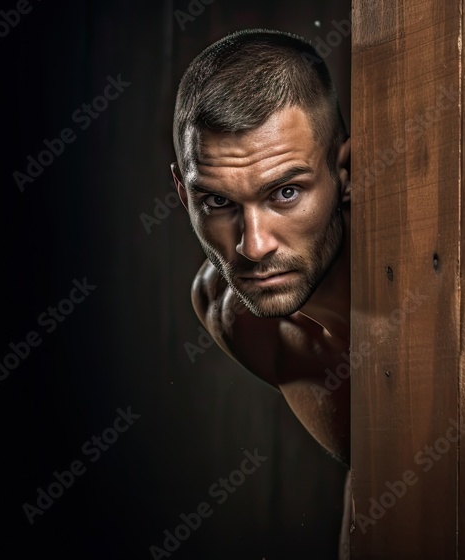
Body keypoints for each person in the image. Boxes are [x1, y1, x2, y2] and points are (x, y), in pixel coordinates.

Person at [170, 28, 354, 557]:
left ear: (345, 171)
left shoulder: (432, 280)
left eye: (286, 192)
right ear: (182, 194)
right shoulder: (230, 315)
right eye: (218, 203)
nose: (253, 247)